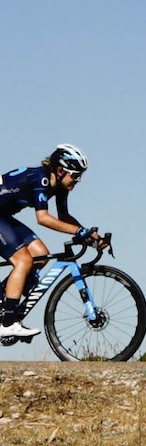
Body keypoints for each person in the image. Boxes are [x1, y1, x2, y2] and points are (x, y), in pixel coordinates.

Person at [0, 144, 104, 339]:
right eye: (75, 175)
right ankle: (8, 322)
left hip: (4, 215)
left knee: (40, 255)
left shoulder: (60, 186)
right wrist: (79, 231)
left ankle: (4, 299)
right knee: (23, 261)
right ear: (60, 170)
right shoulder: (42, 179)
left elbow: (64, 216)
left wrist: (89, 236)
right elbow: (43, 218)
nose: (78, 180)